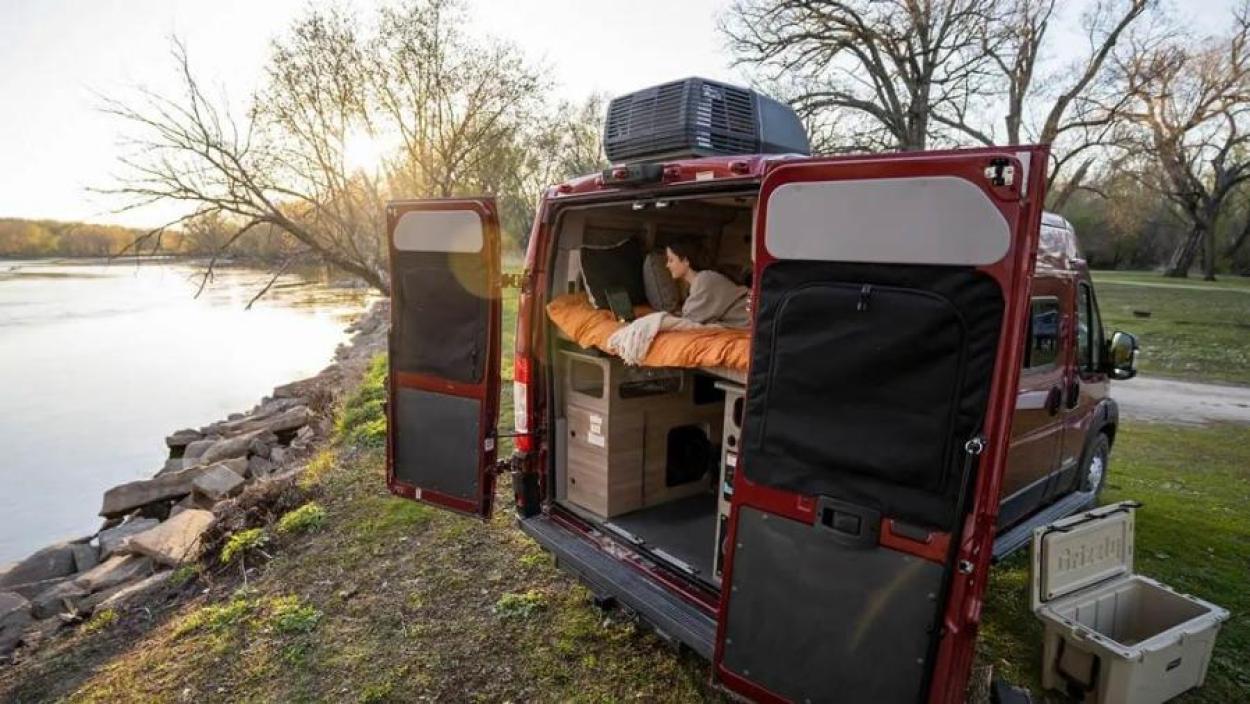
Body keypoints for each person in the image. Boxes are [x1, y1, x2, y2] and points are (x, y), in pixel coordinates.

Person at [664, 237, 750, 328]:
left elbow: (689, 318)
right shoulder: (700, 281)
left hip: (755, 312)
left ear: (685, 261)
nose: (667, 265)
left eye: (671, 260)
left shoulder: (704, 280)